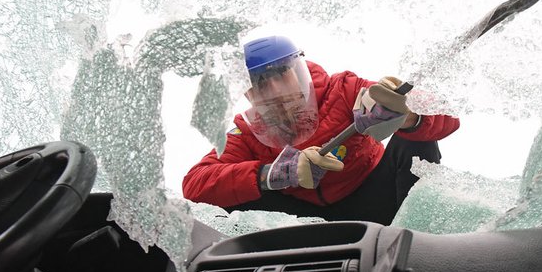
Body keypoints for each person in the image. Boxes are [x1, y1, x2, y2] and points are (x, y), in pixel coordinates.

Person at [182, 36, 460, 224]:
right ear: (246, 92)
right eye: (261, 82)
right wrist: (272, 174)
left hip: (377, 199)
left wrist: (406, 114)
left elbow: (448, 118)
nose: (276, 91)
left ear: (299, 67)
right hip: (307, 223)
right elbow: (194, 185)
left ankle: (422, 237)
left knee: (416, 144)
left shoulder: (346, 90)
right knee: (226, 199)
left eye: (281, 73)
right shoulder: (247, 131)